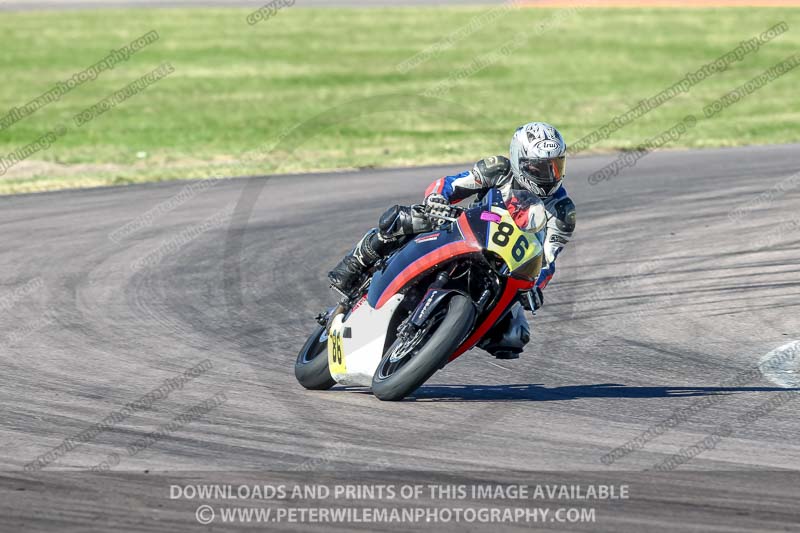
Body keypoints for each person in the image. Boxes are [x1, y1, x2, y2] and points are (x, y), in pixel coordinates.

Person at [328, 122, 576, 358]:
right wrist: (437, 199)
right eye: (539, 167)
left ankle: (445, 334)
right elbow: (449, 184)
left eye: (556, 166)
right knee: (403, 219)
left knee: (514, 337)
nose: (549, 175)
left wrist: (535, 286)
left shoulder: (563, 211)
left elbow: (547, 260)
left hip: (506, 268)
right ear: (519, 160)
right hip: (466, 233)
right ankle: (354, 265)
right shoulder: (498, 169)